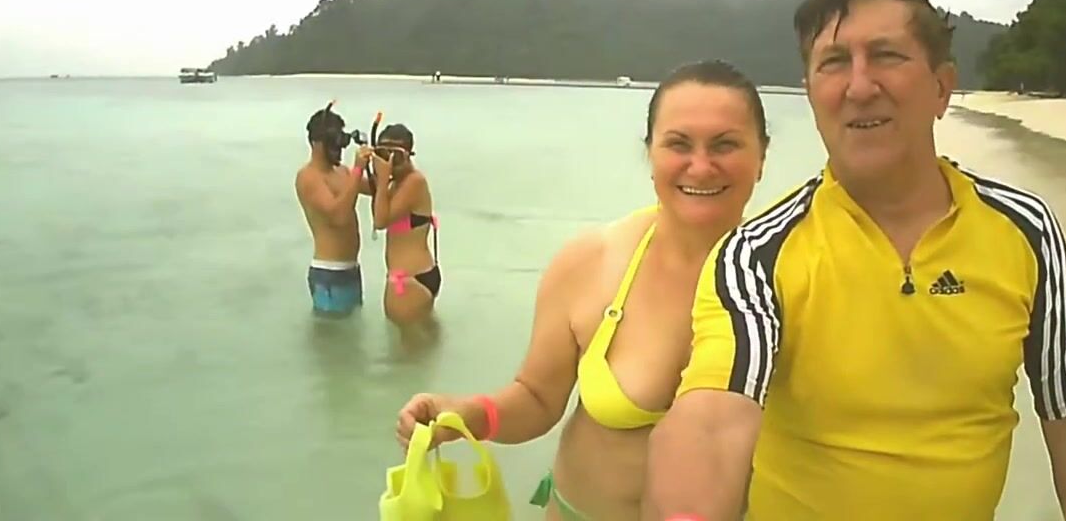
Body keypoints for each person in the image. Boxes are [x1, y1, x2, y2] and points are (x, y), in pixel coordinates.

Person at [643, 0, 1066, 520]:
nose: (859, 87)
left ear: (941, 88)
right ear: (812, 94)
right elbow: (713, 419)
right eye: (834, 62)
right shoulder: (756, 255)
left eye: (887, 56)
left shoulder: (1026, 229)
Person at [394, 60, 770, 520]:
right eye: (678, 144)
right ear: (650, 153)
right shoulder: (592, 262)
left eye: (725, 144)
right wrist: (464, 415)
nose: (701, 166)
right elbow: (537, 398)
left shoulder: (795, 281)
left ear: (762, 156)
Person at [295, 103, 373, 316]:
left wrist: (384, 162)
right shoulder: (309, 177)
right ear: (317, 143)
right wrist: (357, 169)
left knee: (351, 334)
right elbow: (339, 216)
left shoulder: (342, 172)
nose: (340, 150)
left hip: (352, 270)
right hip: (329, 274)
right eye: (334, 144)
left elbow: (375, 188)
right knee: (332, 334)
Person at [371, 123, 441, 325]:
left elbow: (380, 221)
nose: (391, 163)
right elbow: (358, 185)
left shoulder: (414, 182)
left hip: (408, 280)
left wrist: (382, 180)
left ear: (409, 155)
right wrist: (361, 164)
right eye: (385, 155)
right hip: (417, 275)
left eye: (397, 157)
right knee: (421, 341)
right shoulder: (397, 183)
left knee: (405, 343)